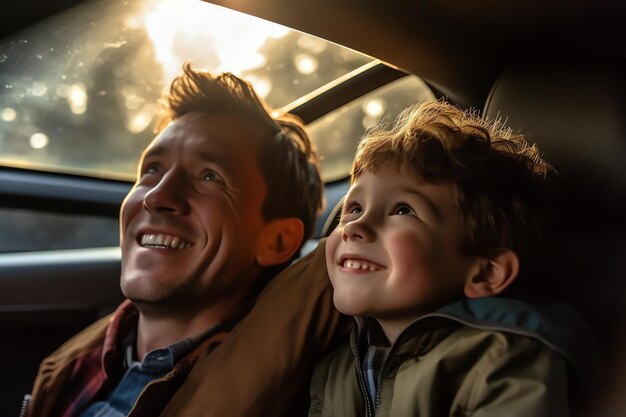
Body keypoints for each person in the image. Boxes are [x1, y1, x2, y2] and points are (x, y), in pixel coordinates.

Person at [25, 63, 345, 417]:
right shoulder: (73, 364)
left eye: (210, 176)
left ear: (278, 241)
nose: (157, 196)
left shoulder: (283, 392)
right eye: (152, 170)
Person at [309, 100, 598, 417]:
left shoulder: (502, 360)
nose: (356, 227)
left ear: (486, 272)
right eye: (354, 208)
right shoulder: (333, 369)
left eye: (403, 210)